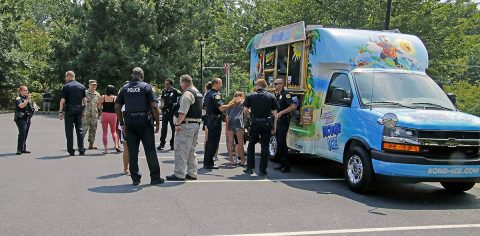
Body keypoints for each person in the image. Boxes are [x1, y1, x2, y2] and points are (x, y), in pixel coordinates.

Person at [115, 67, 164, 186]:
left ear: (132, 75)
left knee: (132, 150)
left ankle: (135, 178)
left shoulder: (124, 88)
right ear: (142, 75)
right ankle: (155, 177)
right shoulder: (146, 87)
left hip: (130, 121)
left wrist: (122, 123)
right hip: (144, 121)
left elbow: (117, 106)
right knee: (150, 150)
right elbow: (153, 106)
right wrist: (157, 122)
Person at [166, 74, 203, 181]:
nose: (180, 85)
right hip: (195, 124)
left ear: (184, 82)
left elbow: (182, 112)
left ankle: (179, 174)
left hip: (186, 125)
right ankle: (192, 173)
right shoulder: (198, 93)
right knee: (191, 150)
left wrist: (177, 124)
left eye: (181, 83)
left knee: (181, 150)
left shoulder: (187, 94)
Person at [243, 79, 278, 176]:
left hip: (255, 124)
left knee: (251, 145)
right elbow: (275, 114)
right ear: (265, 86)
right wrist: (274, 125)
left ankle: (250, 168)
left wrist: (249, 117)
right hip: (267, 124)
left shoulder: (250, 96)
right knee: (265, 147)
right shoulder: (271, 96)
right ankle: (262, 170)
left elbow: (245, 111)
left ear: (257, 85)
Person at [203, 78, 239, 169]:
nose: (221, 85)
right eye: (220, 83)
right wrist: (233, 104)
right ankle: (209, 163)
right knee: (213, 142)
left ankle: (207, 161)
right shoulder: (215, 95)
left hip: (210, 119)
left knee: (210, 141)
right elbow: (221, 108)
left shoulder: (208, 93)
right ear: (215, 84)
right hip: (214, 120)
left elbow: (204, 106)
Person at [59, 71, 87, 156]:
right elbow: (85, 100)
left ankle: (71, 150)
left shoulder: (66, 86)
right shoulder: (81, 86)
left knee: (69, 130)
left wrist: (61, 111)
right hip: (79, 109)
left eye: (66, 76)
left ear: (69, 76)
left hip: (70, 109)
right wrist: (84, 111)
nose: (65, 78)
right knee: (80, 130)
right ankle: (81, 149)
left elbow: (62, 101)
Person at [273, 78, 297, 172]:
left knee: (282, 142)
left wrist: (282, 112)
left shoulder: (285, 94)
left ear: (281, 84)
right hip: (278, 121)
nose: (274, 85)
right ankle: (282, 163)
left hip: (284, 120)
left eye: (276, 84)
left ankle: (286, 166)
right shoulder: (278, 95)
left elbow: (293, 106)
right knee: (279, 142)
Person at [158, 79, 182, 151]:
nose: (165, 85)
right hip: (165, 112)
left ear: (171, 85)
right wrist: (161, 105)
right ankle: (162, 143)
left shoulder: (176, 92)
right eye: (165, 84)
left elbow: (180, 101)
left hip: (172, 113)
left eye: (167, 84)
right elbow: (162, 99)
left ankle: (173, 144)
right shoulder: (164, 91)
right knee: (164, 129)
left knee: (173, 129)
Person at [98, 85, 121, 154]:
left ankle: (106, 150)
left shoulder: (103, 97)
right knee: (114, 131)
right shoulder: (115, 97)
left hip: (104, 114)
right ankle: (116, 145)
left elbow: (99, 107)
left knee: (105, 132)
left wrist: (102, 108)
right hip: (113, 115)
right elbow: (117, 107)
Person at [226, 91, 246, 166]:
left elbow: (227, 114)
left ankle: (231, 160)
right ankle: (243, 160)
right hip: (238, 122)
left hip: (230, 121)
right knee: (240, 142)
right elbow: (246, 111)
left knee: (230, 142)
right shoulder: (242, 102)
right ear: (241, 96)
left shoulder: (231, 103)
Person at [14, 85, 35, 155]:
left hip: (27, 118)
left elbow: (29, 107)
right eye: (25, 90)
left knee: (25, 133)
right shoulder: (18, 98)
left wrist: (34, 107)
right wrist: (28, 100)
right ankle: (19, 149)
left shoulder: (27, 98)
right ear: (21, 91)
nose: (27, 91)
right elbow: (21, 106)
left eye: (27, 90)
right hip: (20, 118)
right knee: (22, 132)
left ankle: (23, 148)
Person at [82, 80, 101, 150]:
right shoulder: (84, 93)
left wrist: (100, 113)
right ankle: (80, 145)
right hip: (85, 115)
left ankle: (91, 144)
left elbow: (99, 105)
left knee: (93, 130)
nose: (94, 86)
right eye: (92, 85)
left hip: (94, 115)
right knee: (83, 130)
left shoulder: (98, 94)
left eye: (95, 85)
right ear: (89, 85)